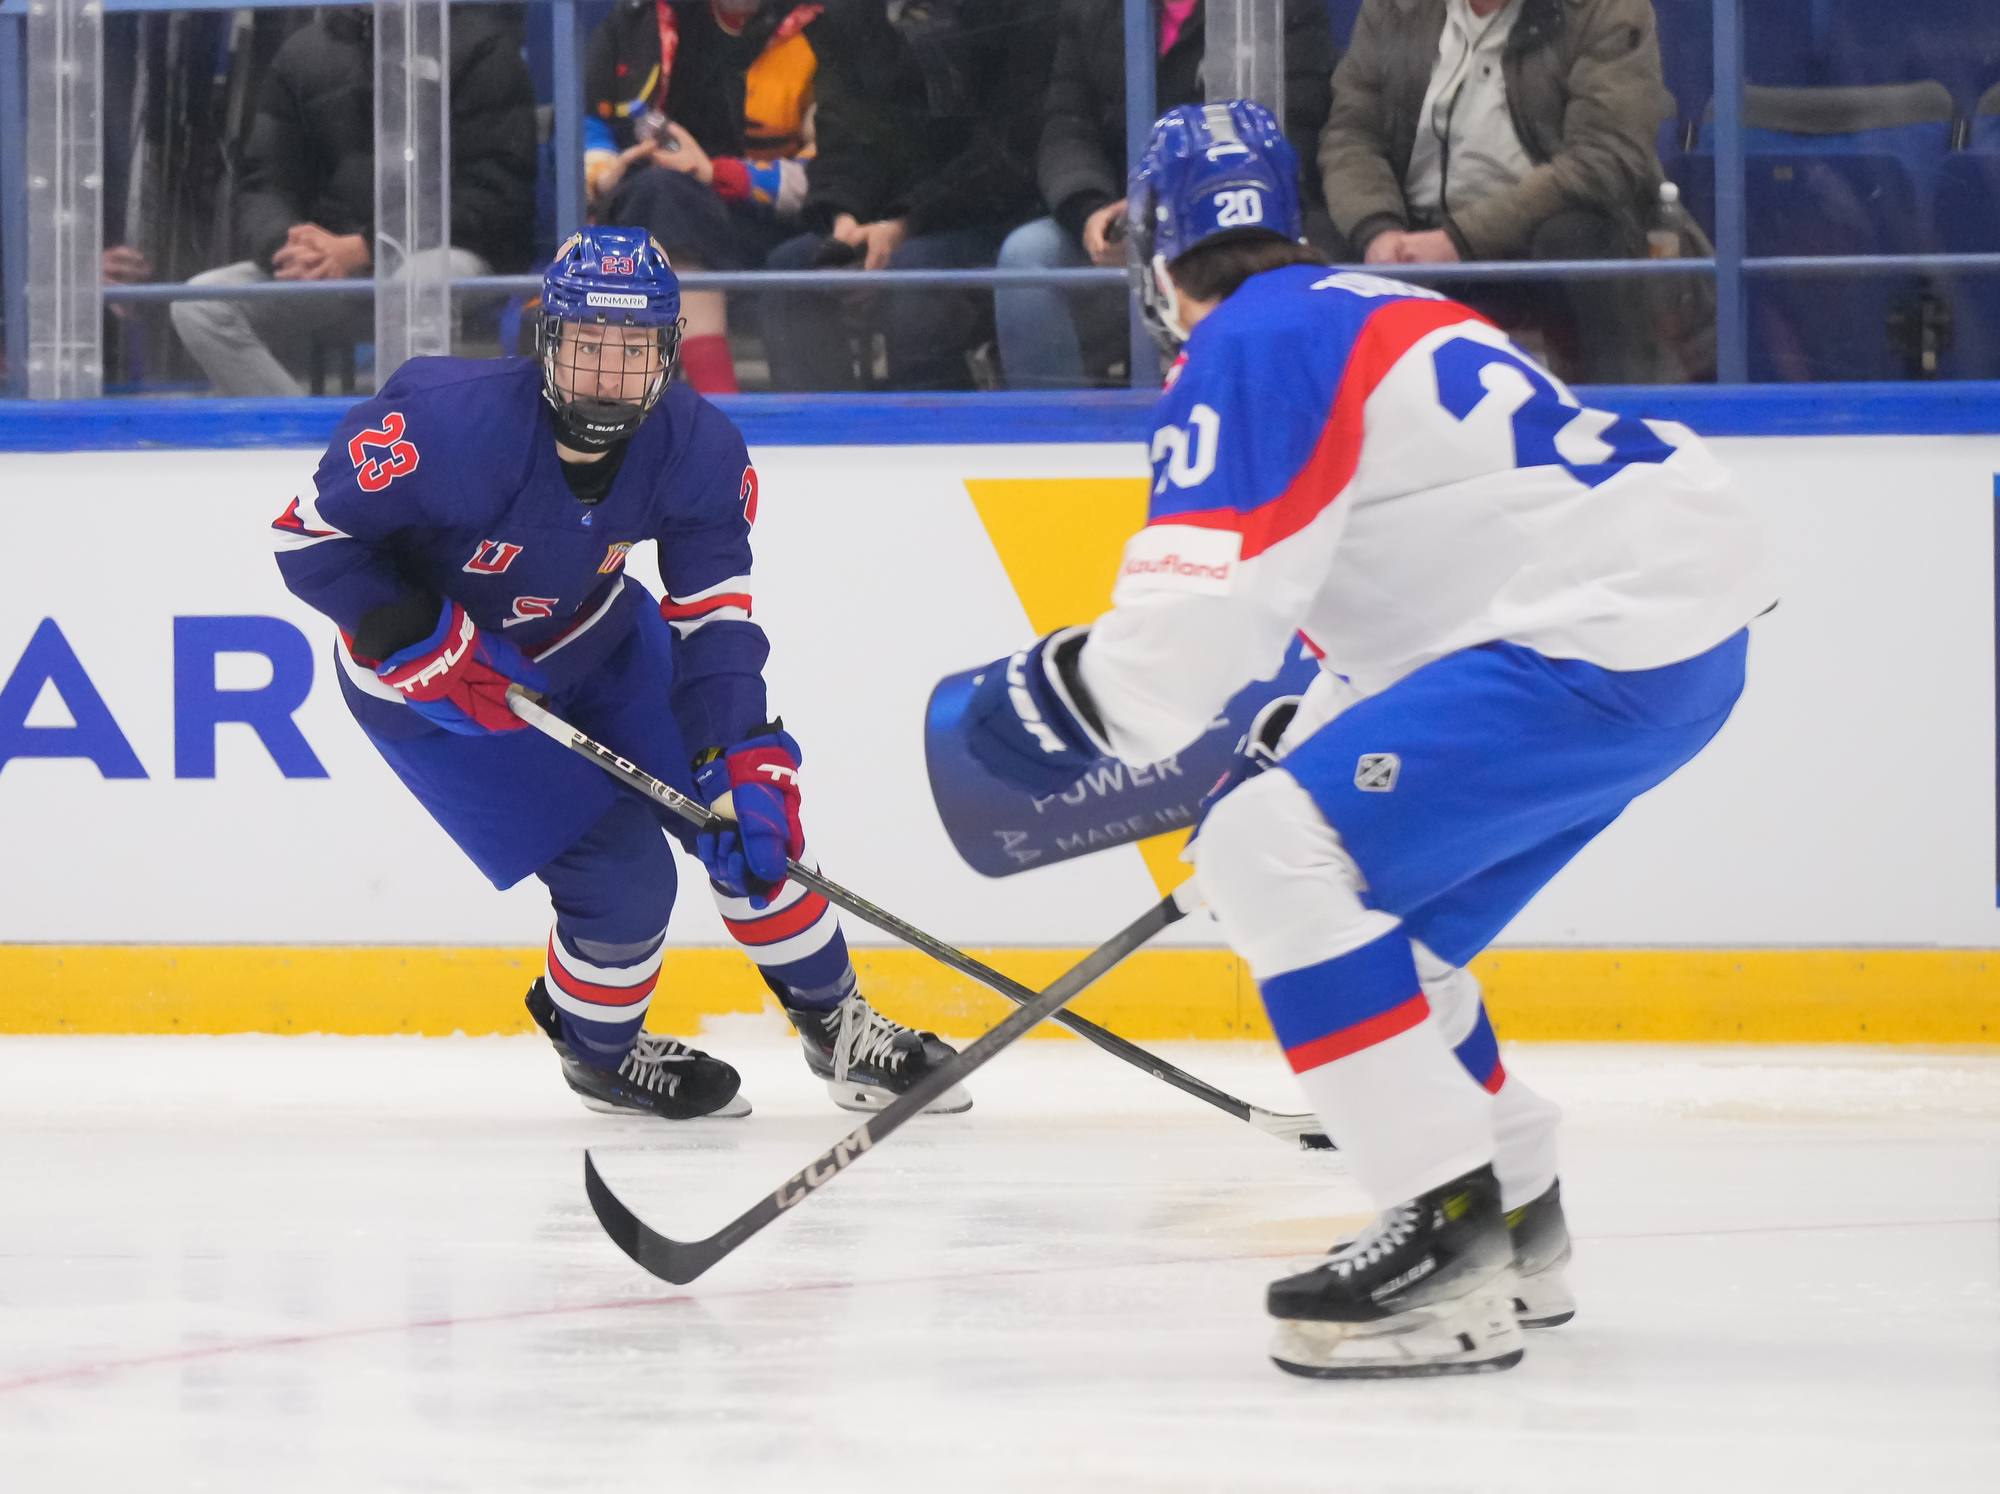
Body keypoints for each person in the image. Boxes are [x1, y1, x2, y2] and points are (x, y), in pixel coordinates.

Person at [945, 102, 1774, 1377]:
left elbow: (1191, 629)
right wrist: (1299, 731)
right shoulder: (1373, 308)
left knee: (1262, 852)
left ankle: (1443, 1238)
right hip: (1665, 643)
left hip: (1582, 642)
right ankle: (1516, 1220)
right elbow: (1428, 552)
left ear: (1153, 253)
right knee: (1393, 935)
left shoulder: (1244, 341)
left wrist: (1053, 702)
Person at [272, 226, 969, 1121]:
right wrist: (421, 636)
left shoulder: (699, 448)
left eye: (635, 350)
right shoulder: (447, 422)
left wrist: (739, 752)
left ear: (669, 351)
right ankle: (600, 1056)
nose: (609, 375)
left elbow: (714, 620)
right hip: (440, 695)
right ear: (546, 339)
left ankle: (839, 1027)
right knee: (624, 883)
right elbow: (309, 542)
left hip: (602, 642)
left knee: (750, 832)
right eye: (589, 346)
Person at [171, 6, 538, 397]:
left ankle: (407, 430)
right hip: (331, 266)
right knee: (201, 304)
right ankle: (310, 433)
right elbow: (265, 183)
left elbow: (497, 192)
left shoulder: (482, 46)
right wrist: (287, 244)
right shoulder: (302, 53)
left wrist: (365, 247)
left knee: (416, 283)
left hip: (452, 254)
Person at [1318, 0, 1674, 382]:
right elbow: (1351, 136)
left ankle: (1618, 404)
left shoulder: (1605, 10)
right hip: (1412, 231)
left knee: (1576, 236)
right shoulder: (1394, 9)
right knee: (1314, 247)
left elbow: (1604, 160)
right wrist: (1377, 230)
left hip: (1535, 227)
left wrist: (1458, 240)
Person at [996, 0, 1334, 389]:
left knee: (1307, 262)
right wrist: (1091, 210)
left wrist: (1165, 208)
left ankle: (1239, 408)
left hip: (1235, 225)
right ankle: (1057, 424)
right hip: (1119, 222)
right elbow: (1066, 129)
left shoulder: (1279, 8)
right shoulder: (1093, 10)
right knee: (1028, 256)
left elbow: (1291, 131)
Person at [758, 0, 1053, 391]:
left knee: (914, 279)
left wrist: (906, 221)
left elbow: (1009, 149)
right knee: (791, 271)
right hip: (882, 217)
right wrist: (844, 219)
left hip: (992, 214)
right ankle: (820, 425)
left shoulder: (1015, 12)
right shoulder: (851, 17)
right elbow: (843, 132)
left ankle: (932, 423)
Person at [583, 0, 823, 395]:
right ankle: (716, 405)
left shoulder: (821, 31)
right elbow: (589, 123)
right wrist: (603, 174)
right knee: (660, 197)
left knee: (666, 206)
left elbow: (834, 173)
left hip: (770, 221)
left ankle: (713, 404)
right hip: (645, 214)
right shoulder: (636, 22)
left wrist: (717, 173)